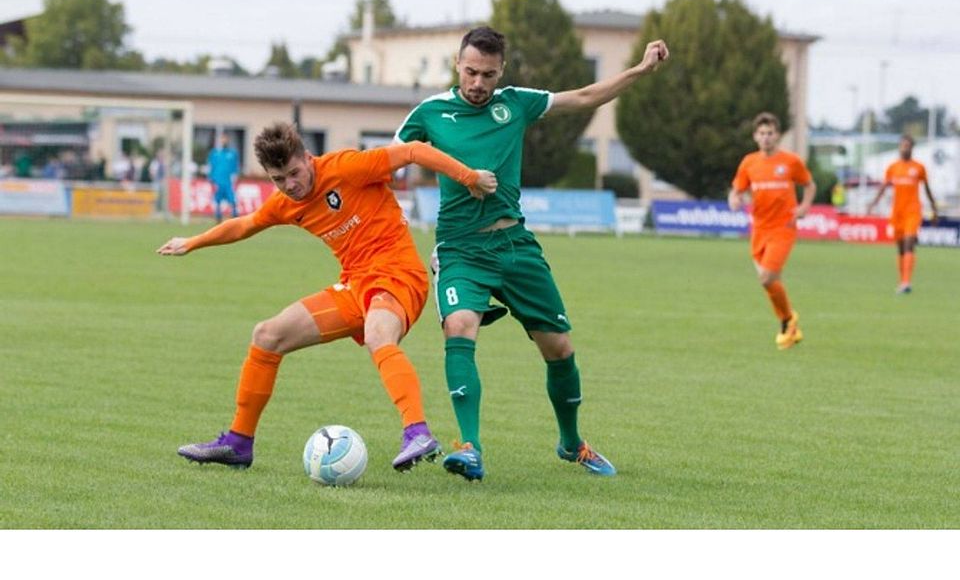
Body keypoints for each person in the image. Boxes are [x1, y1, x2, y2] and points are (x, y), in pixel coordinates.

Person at [393, 26, 669, 481]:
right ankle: (470, 446)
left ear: (501, 72)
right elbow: (390, 158)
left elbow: (583, 97)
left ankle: (571, 443)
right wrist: (463, 175)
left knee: (559, 350)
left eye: (487, 74)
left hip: (516, 245)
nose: (478, 83)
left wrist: (639, 69)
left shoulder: (515, 102)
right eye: (470, 72)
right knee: (459, 327)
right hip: (461, 248)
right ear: (456, 66)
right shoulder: (431, 112)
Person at [158, 122, 498, 471]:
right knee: (266, 336)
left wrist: (469, 177)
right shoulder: (285, 203)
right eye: (279, 179)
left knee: (377, 334)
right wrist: (192, 242)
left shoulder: (347, 167)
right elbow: (245, 224)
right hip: (355, 285)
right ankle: (238, 442)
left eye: (294, 172)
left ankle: (417, 432)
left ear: (308, 158)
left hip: (398, 275)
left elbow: (413, 151)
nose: (290, 185)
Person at [728, 112, 816, 350]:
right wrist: (734, 199)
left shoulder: (790, 161)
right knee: (769, 282)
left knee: (766, 277)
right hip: (759, 228)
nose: (766, 137)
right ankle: (789, 323)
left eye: (770, 133)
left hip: (783, 228)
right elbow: (737, 189)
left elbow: (809, 184)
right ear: (756, 136)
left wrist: (805, 205)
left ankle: (787, 321)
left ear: (777, 136)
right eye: (762, 133)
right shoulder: (749, 163)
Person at [866, 134, 939, 294]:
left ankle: (906, 283)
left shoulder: (919, 167)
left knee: (909, 243)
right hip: (897, 213)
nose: (904, 148)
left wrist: (934, 209)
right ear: (899, 147)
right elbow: (884, 187)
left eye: (907, 146)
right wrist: (873, 203)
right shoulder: (893, 167)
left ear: (912, 148)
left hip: (913, 211)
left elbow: (927, 190)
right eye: (902, 145)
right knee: (900, 248)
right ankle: (902, 281)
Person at [207, 133, 240, 222]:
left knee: (232, 199)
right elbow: (210, 166)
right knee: (217, 199)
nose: (223, 141)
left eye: (225, 139)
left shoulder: (233, 153)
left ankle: (234, 215)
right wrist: (211, 178)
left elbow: (236, 167)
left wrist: (235, 176)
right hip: (217, 181)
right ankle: (218, 216)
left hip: (229, 181)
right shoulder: (214, 153)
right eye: (222, 139)